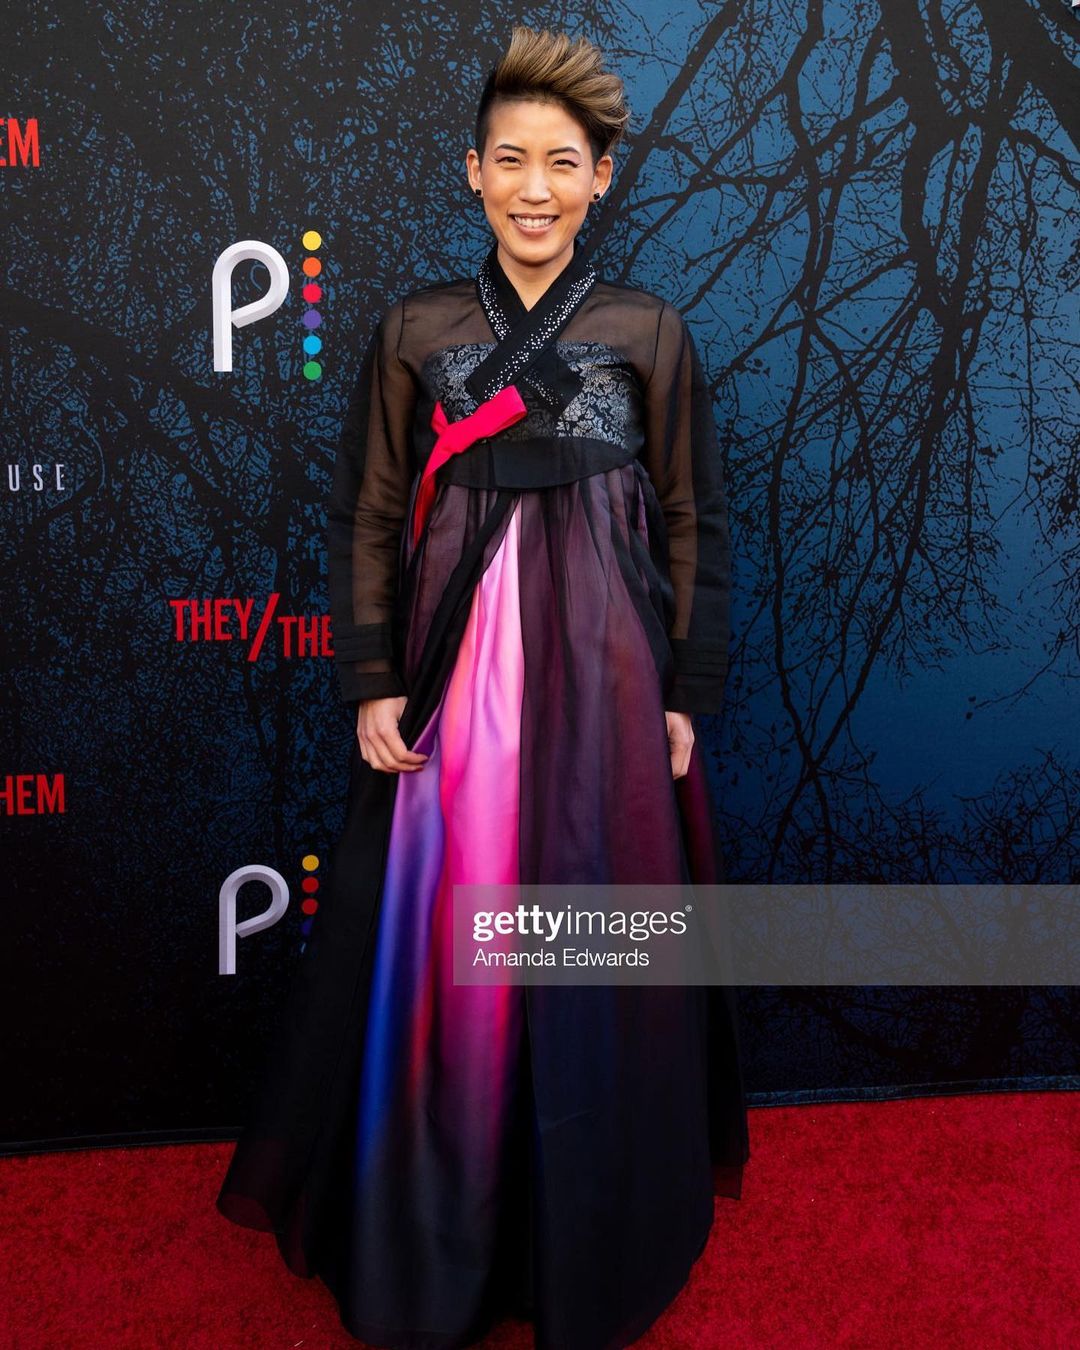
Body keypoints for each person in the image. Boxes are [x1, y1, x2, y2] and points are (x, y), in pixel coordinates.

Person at [217, 23, 750, 1350]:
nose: (534, 187)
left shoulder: (649, 332)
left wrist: (686, 692)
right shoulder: (415, 329)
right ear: (471, 171)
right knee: (452, 949)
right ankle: (439, 1235)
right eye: (509, 159)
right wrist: (371, 677)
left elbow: (695, 516)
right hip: (459, 691)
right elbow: (371, 510)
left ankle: (587, 1240)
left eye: (562, 162)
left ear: (601, 178)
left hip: (612, 690)